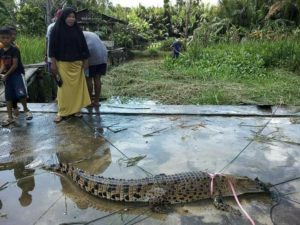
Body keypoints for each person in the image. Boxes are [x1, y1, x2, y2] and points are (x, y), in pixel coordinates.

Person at [49, 7, 91, 123]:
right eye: (69, 16)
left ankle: (76, 110)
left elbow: (84, 46)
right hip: (63, 64)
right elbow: (51, 48)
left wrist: (86, 61)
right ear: (63, 17)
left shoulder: (77, 30)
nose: (71, 19)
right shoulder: (56, 30)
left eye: (73, 17)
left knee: (77, 89)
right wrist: (53, 63)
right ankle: (62, 112)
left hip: (77, 64)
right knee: (63, 89)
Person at [0, 27, 33, 126]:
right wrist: (1, 72)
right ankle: (10, 117)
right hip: (8, 76)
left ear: (11, 38)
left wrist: (6, 75)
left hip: (16, 74)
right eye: (3, 38)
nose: (5, 40)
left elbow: (14, 65)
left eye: (8, 38)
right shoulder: (1, 50)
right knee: (8, 97)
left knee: (21, 93)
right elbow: (4, 64)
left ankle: (27, 111)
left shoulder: (15, 50)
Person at [0, 26, 24, 117]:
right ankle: (13, 110)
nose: (13, 36)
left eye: (14, 34)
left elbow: (15, 64)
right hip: (5, 71)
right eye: (12, 34)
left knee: (19, 92)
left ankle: (18, 108)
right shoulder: (1, 46)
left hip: (14, 72)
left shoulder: (15, 47)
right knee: (9, 93)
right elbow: (3, 63)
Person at [83, 31, 108, 107]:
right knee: (97, 78)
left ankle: (89, 101)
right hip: (103, 54)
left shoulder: (77, 35)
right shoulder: (89, 33)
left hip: (91, 54)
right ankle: (96, 101)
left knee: (88, 78)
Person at [45, 9, 62, 100]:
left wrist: (46, 55)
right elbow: (48, 41)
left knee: (56, 75)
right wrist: (46, 55)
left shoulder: (51, 26)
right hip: (54, 56)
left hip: (55, 57)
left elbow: (47, 42)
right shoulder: (51, 27)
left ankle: (58, 95)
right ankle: (58, 94)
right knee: (56, 75)